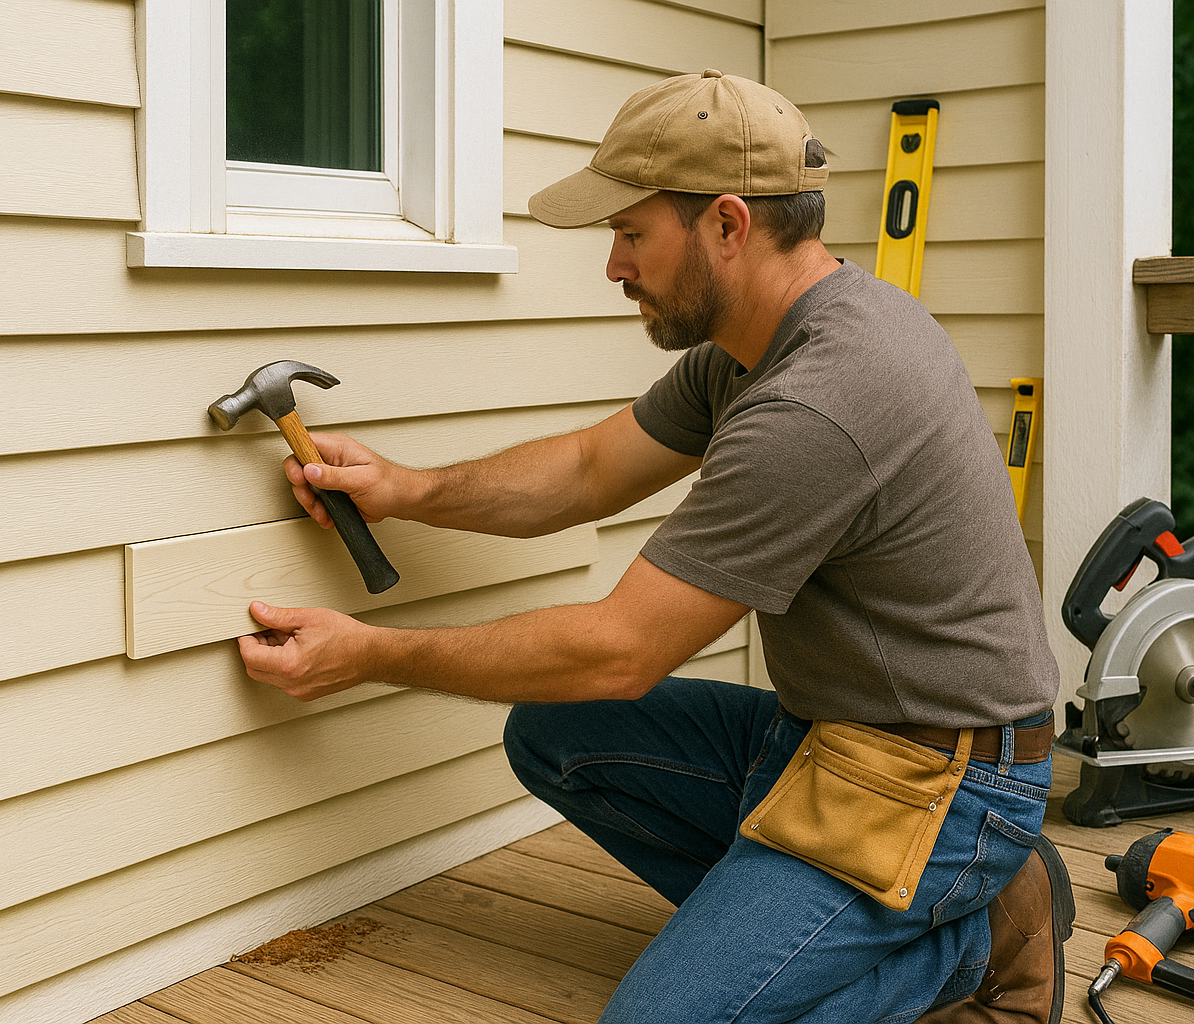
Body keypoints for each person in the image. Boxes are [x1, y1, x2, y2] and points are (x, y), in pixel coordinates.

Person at [238, 69, 1073, 1024]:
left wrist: (374, 654)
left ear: (726, 224)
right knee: (552, 734)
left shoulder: (822, 398)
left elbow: (618, 651)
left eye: (631, 233)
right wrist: (404, 490)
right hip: (819, 741)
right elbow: (592, 468)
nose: (614, 266)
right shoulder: (755, 349)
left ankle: (974, 943)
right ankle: (802, 927)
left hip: (939, 784)